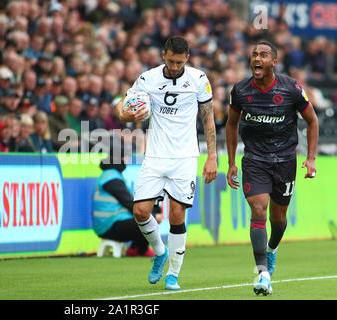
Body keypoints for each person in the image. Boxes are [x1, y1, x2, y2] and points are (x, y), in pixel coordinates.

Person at [116, 36, 217, 290]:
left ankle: (173, 273)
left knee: (176, 215)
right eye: (171, 61)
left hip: (185, 158)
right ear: (164, 55)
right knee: (140, 211)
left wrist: (212, 156)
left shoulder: (199, 80)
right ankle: (159, 252)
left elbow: (208, 119)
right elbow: (123, 102)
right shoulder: (148, 78)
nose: (174, 66)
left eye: (179, 62)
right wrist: (124, 113)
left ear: (188, 58)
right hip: (156, 156)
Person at [225, 40, 319, 296]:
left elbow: (312, 121)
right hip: (255, 160)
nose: (257, 58)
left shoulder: (291, 88)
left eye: (264, 55)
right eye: (254, 54)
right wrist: (232, 162)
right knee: (258, 208)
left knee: (278, 221)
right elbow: (231, 124)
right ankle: (263, 273)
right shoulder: (241, 90)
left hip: (285, 161)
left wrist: (311, 158)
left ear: (274, 62)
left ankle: (272, 248)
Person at [92, 147, 162, 257]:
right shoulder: (112, 177)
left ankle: (136, 247)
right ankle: (140, 249)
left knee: (146, 220)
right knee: (147, 221)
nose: (127, 161)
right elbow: (129, 202)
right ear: (120, 158)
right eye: (126, 157)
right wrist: (152, 215)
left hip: (110, 223)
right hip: (109, 225)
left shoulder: (111, 175)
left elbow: (130, 202)